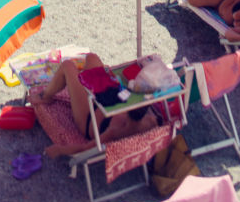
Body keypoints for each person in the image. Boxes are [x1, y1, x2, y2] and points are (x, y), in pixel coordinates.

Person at [31, 53, 159, 150]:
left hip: (88, 117)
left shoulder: (115, 131)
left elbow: (86, 148)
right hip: (108, 100)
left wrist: (60, 151)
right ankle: (76, 83)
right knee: (92, 58)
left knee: (67, 66)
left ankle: (45, 96)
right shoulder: (151, 122)